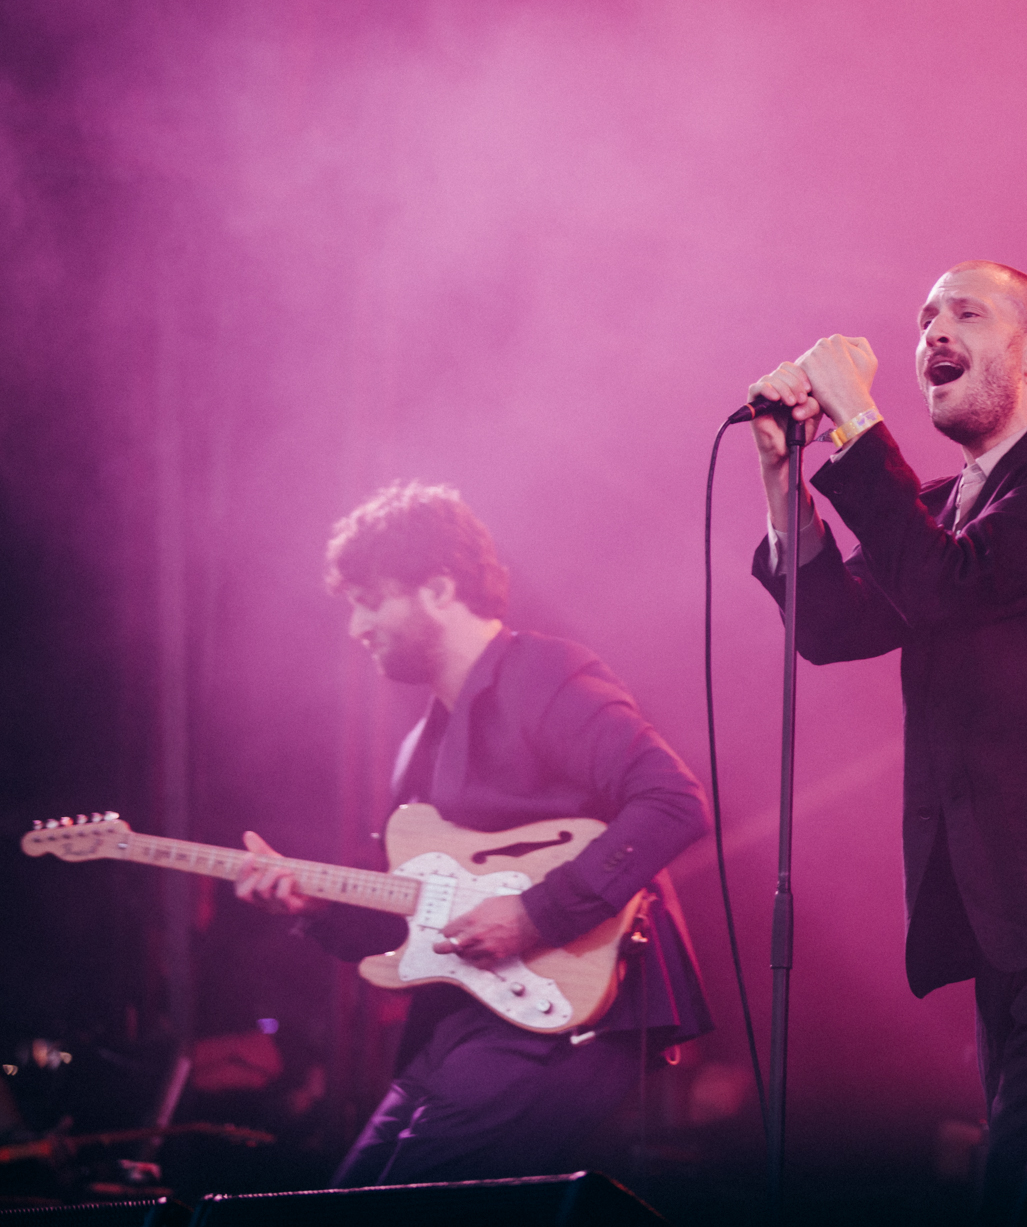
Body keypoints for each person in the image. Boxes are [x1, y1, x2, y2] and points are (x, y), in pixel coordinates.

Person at [745, 261, 1027, 1214]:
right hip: (1014, 922)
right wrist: (777, 472)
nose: (932, 334)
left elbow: (948, 585)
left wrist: (855, 421)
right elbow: (832, 628)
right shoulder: (942, 507)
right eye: (923, 319)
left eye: (965, 312)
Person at [235, 482, 711, 1186]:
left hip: (583, 1006)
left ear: (437, 587)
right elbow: (422, 921)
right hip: (469, 1018)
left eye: (370, 599)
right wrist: (313, 911)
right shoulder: (417, 753)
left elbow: (674, 802)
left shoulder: (546, 677)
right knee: (346, 1201)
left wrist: (535, 913)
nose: (356, 627)